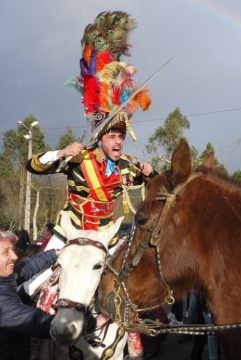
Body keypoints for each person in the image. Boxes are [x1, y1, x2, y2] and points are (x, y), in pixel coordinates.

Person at [24, 11, 154, 359]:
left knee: (130, 290)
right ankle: (33, 338)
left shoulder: (128, 164)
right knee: (31, 285)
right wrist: (59, 152)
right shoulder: (79, 157)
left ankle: (133, 341)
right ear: (101, 137)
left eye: (121, 136)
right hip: (70, 232)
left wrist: (150, 171)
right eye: (112, 135)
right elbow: (32, 166)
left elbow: (154, 187)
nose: (118, 142)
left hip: (107, 237)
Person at [0, 230, 57, 360]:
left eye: (12, 250)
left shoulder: (5, 277)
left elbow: (27, 268)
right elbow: (39, 323)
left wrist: (57, 253)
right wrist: (89, 323)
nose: (14, 256)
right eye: (6, 252)